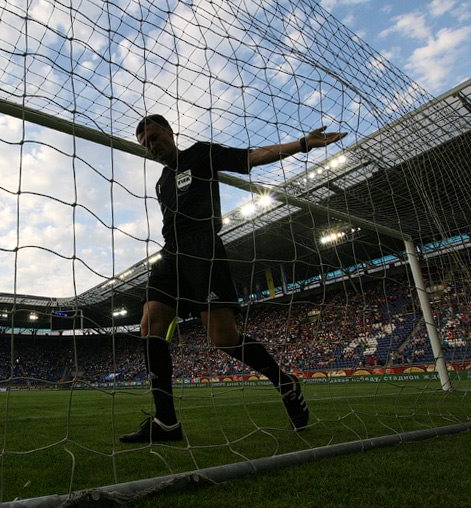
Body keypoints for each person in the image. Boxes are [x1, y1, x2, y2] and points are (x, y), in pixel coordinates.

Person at [120, 114, 347, 443]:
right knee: (149, 325)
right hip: (170, 255)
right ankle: (166, 422)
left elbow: (250, 157)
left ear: (169, 131)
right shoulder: (161, 183)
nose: (151, 146)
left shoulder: (201, 154)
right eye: (145, 144)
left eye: (154, 138)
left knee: (223, 337)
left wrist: (302, 144)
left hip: (204, 251)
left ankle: (284, 381)